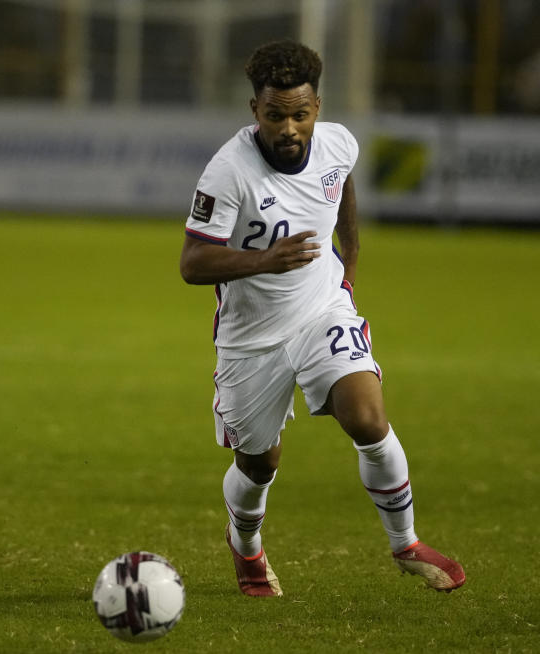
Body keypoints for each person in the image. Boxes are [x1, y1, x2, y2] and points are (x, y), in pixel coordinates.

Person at [179, 40, 464, 597]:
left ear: (318, 108)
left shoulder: (337, 144)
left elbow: (341, 186)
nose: (290, 128)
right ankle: (246, 544)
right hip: (251, 339)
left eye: (301, 114)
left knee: (367, 418)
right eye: (276, 115)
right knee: (259, 465)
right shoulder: (228, 172)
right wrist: (266, 259)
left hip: (321, 311)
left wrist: (348, 262)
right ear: (254, 110)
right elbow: (192, 263)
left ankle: (405, 542)